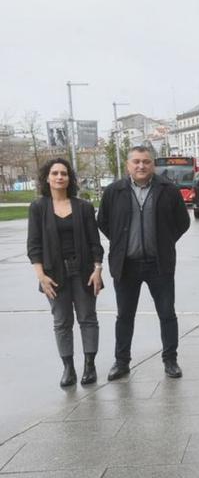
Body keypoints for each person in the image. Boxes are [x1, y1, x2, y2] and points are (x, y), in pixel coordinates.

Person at [98, 145, 190, 380]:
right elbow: (105, 222)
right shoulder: (114, 191)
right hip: (126, 265)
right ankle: (121, 362)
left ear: (153, 165)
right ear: (128, 165)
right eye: (136, 161)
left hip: (159, 264)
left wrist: (164, 241)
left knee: (167, 313)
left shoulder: (168, 189)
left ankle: (170, 360)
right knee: (124, 315)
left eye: (146, 161)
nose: (141, 166)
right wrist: (122, 243)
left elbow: (182, 222)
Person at [27, 158, 104, 387]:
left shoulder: (84, 207)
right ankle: (68, 368)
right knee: (61, 322)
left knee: (88, 319)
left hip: (84, 272)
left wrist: (97, 269)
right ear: (47, 178)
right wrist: (41, 276)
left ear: (70, 178)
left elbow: (95, 244)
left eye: (64, 173)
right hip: (53, 275)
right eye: (55, 173)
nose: (59, 177)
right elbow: (34, 246)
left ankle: (90, 365)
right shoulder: (38, 208)